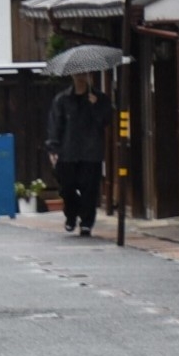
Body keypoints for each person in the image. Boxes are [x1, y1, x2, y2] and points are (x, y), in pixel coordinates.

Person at [45, 72, 108, 237]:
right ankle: (71, 215)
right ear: (72, 76)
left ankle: (86, 223)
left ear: (88, 76)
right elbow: (55, 124)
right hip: (67, 151)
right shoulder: (62, 99)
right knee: (67, 187)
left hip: (91, 152)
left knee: (90, 190)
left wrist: (95, 106)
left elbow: (105, 121)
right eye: (77, 74)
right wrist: (53, 148)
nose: (80, 77)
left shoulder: (99, 98)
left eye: (83, 74)